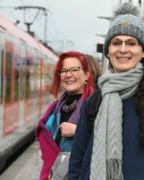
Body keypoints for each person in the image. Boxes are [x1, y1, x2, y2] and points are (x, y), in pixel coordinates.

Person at [68, 3, 144, 180]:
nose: (122, 49)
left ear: (143, 51)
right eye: (116, 43)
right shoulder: (96, 100)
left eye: (131, 43)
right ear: (108, 51)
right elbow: (77, 159)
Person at [35, 51, 95, 180]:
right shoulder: (54, 109)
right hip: (55, 174)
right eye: (63, 71)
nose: (68, 75)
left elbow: (111, 138)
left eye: (74, 69)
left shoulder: (96, 104)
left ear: (86, 74)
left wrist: (77, 131)